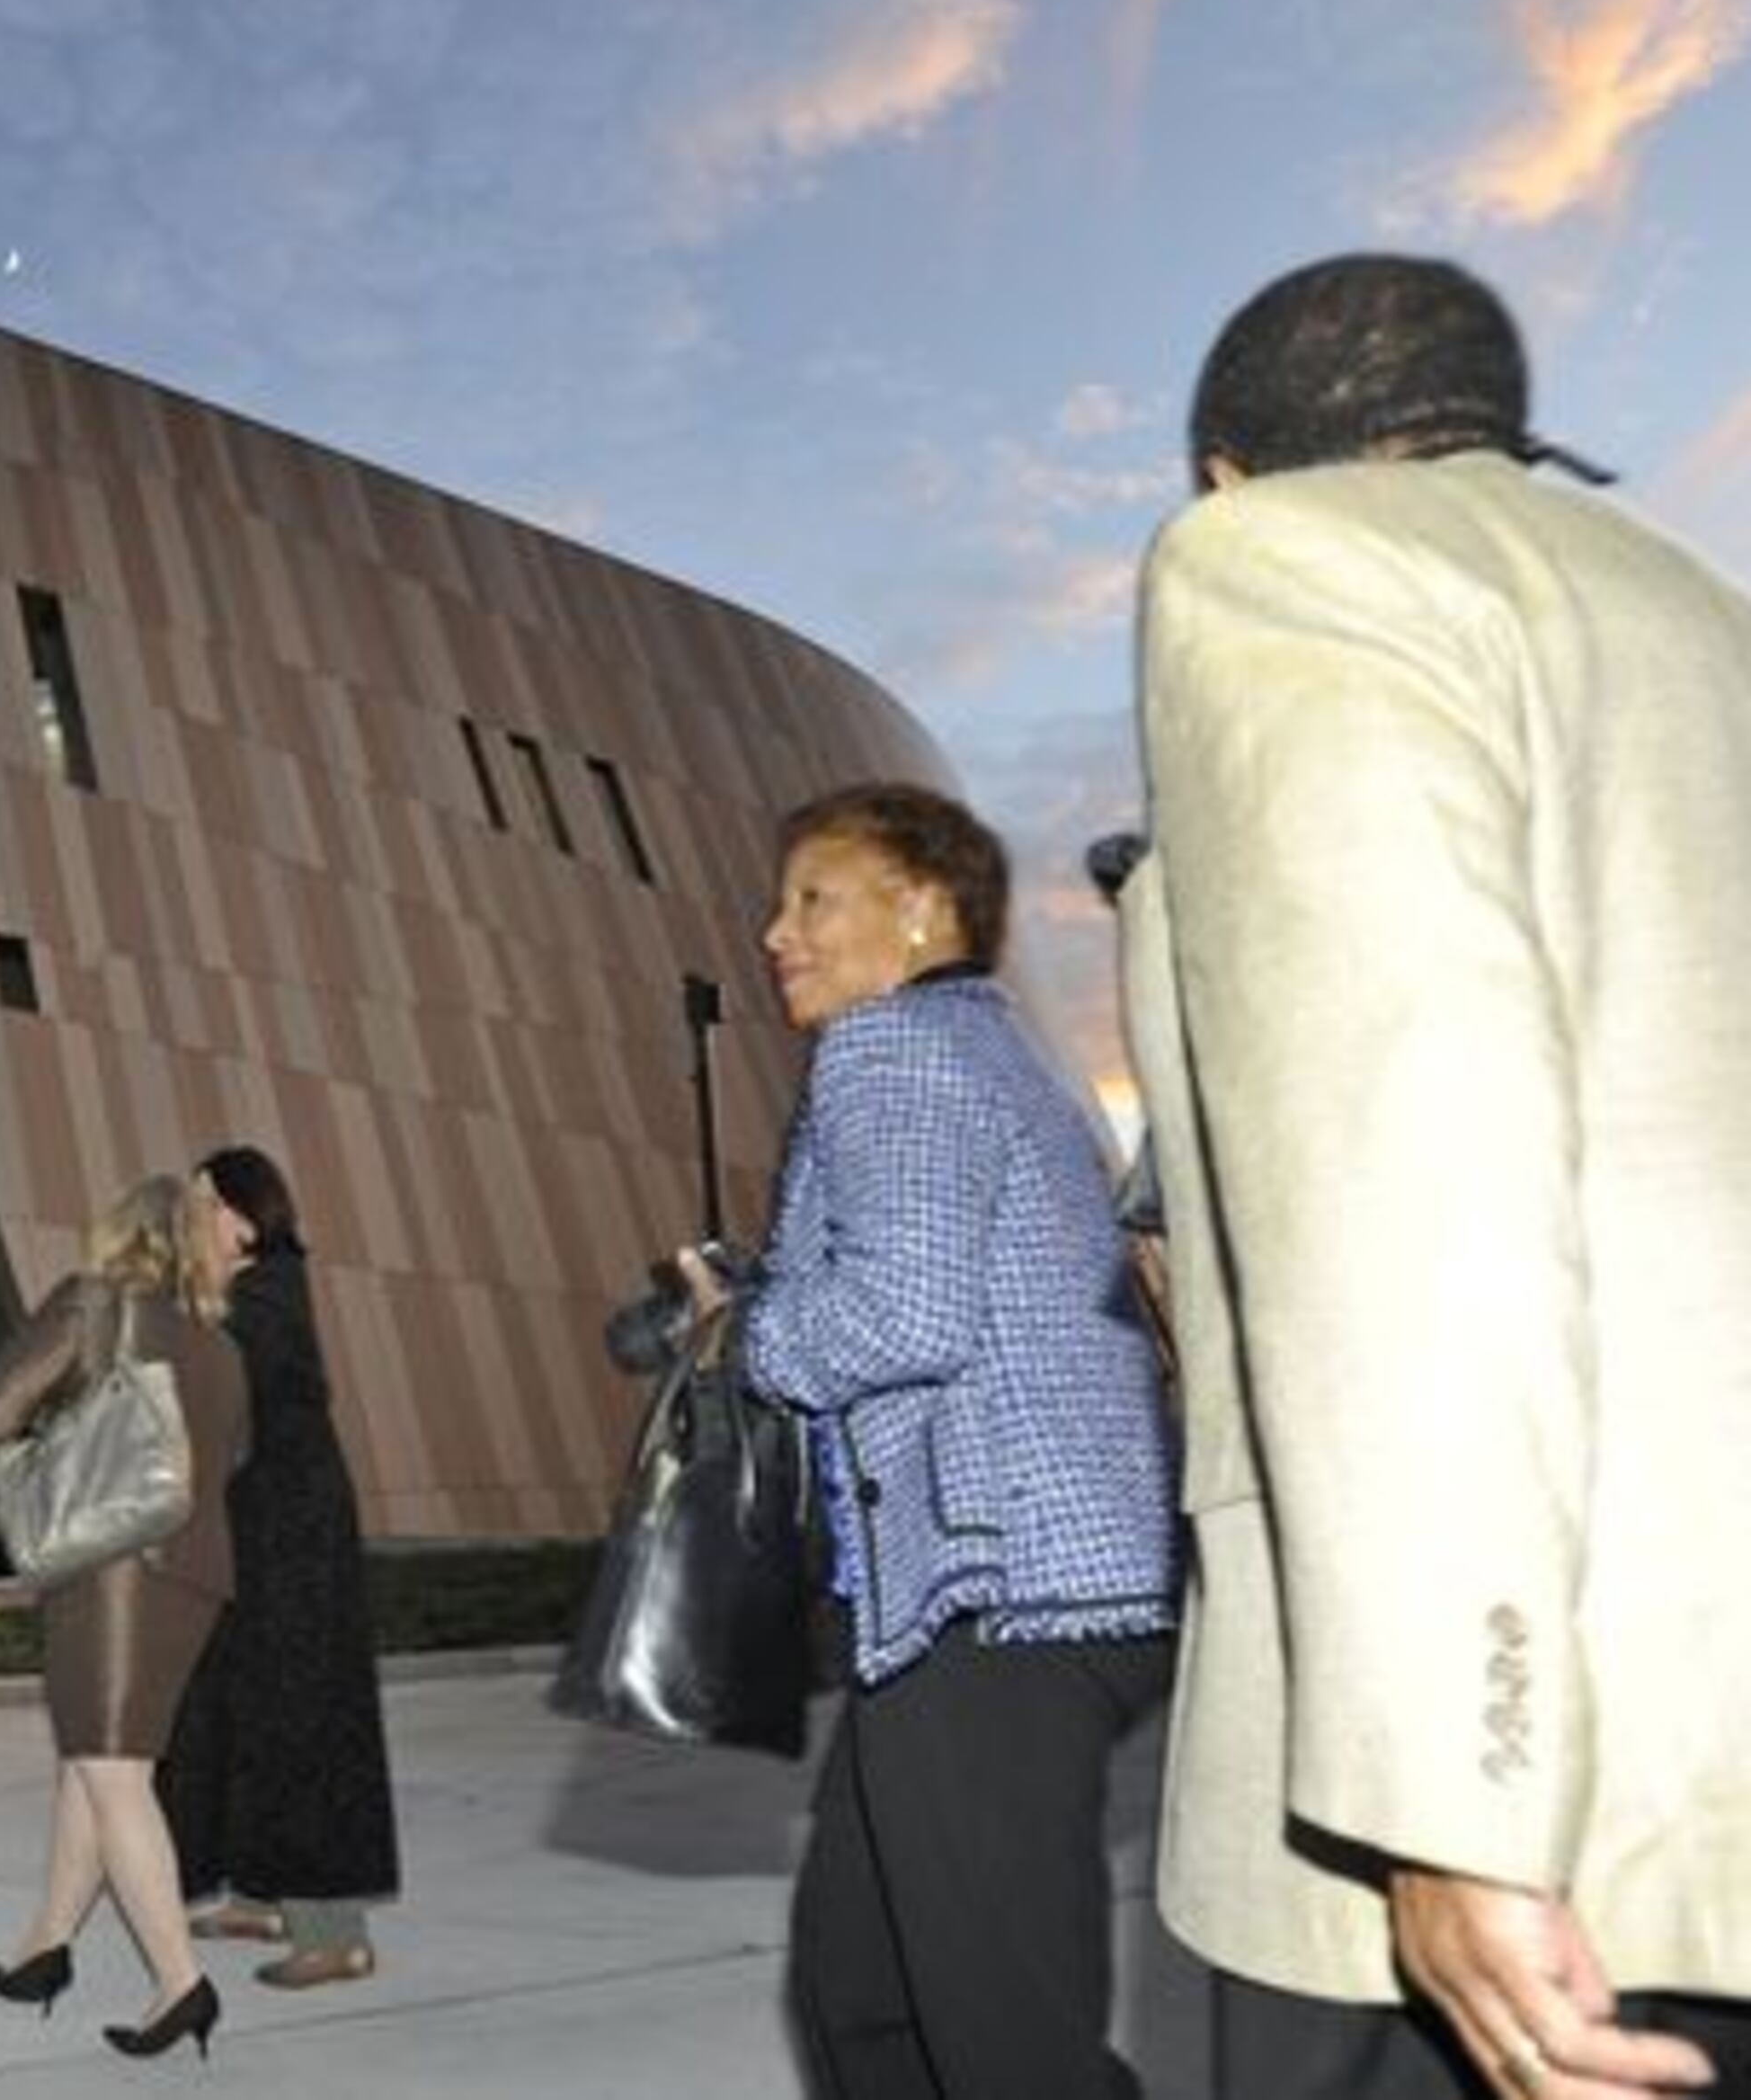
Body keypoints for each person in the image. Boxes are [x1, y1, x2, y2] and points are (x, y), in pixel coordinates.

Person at [1128, 254, 1751, 2098]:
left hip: (1542, 1797)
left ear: (1232, 474)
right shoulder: (1708, 630)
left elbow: (1406, 1154)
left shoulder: (1294, 567)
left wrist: (1456, 1793)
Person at [692, 781, 1181, 2097]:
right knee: (864, 1985)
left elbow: (906, 1312)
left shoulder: (891, 1049)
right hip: (1036, 1586)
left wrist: (753, 1336)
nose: (774, 930)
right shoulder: (1003, 1047)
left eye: (814, 898)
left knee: (1002, 2038)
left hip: (1001, 1593)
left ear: (919, 910)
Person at [0, 1176, 250, 2061]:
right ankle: (43, 1947)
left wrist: (34, 1453)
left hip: (114, 1573)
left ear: (125, 1234)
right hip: (198, 1573)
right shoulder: (218, 1342)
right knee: (92, 1763)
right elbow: (230, 1456)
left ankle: (180, 1981)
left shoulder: (96, 1301)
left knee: (113, 1772)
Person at [158, 1144, 400, 1991]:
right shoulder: (247, 1298)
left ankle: (336, 1935)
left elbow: (211, 1393)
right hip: (259, 1545)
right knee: (243, 1718)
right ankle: (264, 1893)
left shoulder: (266, 1301)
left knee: (302, 1726)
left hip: (292, 1553)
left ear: (242, 1215)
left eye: (201, 1203)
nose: (190, 1219)